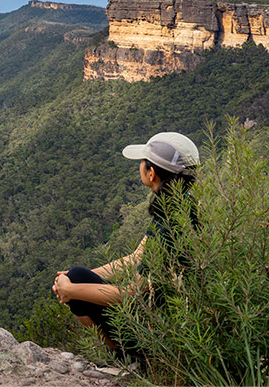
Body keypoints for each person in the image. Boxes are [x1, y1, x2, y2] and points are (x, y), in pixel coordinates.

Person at [51, 131, 198, 357]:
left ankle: (129, 357)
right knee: (78, 274)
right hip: (172, 317)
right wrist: (76, 276)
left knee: (77, 283)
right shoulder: (182, 206)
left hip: (157, 330)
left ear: (151, 173)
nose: (139, 165)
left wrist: (71, 289)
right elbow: (136, 257)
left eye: (142, 162)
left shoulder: (169, 225)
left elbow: (132, 294)